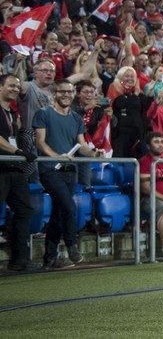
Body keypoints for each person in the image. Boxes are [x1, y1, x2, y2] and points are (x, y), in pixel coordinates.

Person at [33, 79, 105, 268]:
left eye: (69, 91)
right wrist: (57, 156)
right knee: (69, 207)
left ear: (74, 94)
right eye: (62, 91)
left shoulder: (76, 118)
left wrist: (94, 153)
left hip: (69, 171)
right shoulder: (43, 113)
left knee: (59, 212)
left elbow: (81, 145)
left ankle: (50, 257)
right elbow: (40, 142)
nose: (66, 95)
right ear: (54, 94)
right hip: (50, 169)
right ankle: (72, 245)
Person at [0, 74, 36, 271]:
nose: (15, 89)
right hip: (2, 166)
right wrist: (17, 151)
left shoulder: (12, 113)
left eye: (17, 86)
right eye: (11, 86)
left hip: (14, 167)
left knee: (24, 210)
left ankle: (20, 259)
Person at [108, 66, 147, 158]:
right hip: (121, 133)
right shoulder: (114, 87)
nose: (130, 78)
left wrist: (149, 95)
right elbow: (120, 104)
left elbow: (145, 108)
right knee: (120, 159)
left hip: (137, 133)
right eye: (127, 76)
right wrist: (135, 95)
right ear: (120, 77)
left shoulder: (138, 92)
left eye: (132, 76)